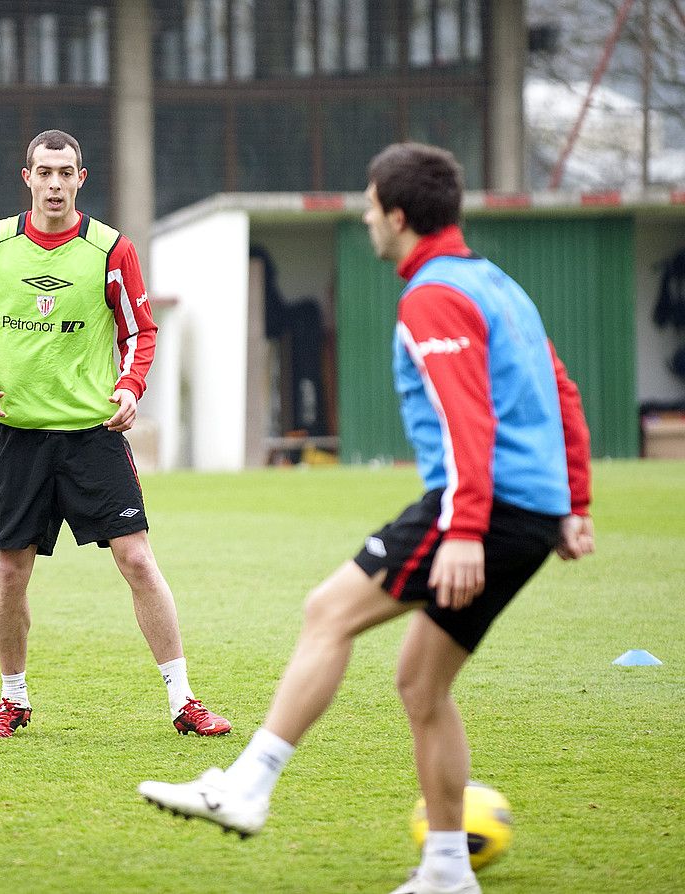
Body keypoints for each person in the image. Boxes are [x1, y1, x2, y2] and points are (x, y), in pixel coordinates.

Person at [138, 143, 595, 894]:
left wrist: (465, 529)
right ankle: (448, 870)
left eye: (369, 203)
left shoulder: (434, 297)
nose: (362, 216)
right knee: (421, 684)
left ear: (399, 215)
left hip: (486, 508)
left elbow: (465, 422)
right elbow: (563, 391)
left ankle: (247, 786)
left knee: (327, 613)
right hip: (528, 511)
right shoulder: (497, 285)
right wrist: (572, 505)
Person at [0, 129, 230, 739]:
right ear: (27, 178)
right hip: (20, 436)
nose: (55, 183)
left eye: (66, 173)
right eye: (44, 172)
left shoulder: (111, 250)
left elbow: (141, 331)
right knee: (11, 570)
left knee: (136, 558)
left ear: (82, 179)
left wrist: (130, 388)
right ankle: (13, 700)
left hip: (91, 435)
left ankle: (184, 701)